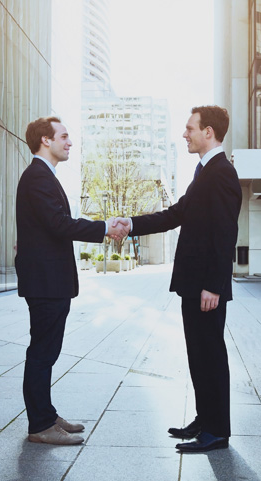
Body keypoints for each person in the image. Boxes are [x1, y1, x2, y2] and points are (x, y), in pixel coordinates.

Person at [113, 106, 242, 452]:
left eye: (190, 128)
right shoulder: (204, 172)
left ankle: (217, 431)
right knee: (198, 355)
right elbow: (177, 214)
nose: (185, 134)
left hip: (206, 287)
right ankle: (205, 420)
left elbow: (226, 233)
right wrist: (132, 223)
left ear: (209, 132)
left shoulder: (222, 173)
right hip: (193, 284)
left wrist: (214, 285)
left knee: (210, 355)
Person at [16, 116, 128, 445]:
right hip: (45, 283)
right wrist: (105, 227)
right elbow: (59, 224)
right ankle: (39, 424)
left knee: (46, 351)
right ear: (44, 141)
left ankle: (47, 415)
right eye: (63, 137)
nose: (69, 142)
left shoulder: (43, 176)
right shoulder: (37, 177)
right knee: (41, 353)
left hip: (50, 281)